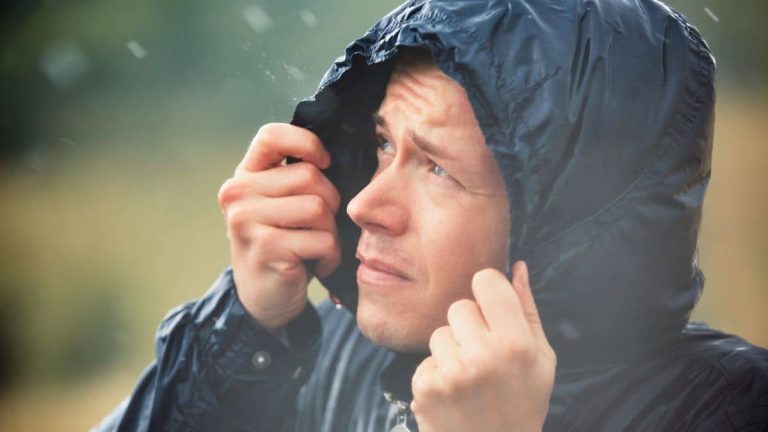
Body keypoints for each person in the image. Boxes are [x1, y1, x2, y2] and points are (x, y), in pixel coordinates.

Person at [95, 0, 768, 431]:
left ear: (567, 222)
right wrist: (243, 333)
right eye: (383, 144)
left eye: (437, 168)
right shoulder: (336, 354)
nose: (362, 205)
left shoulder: (732, 409)